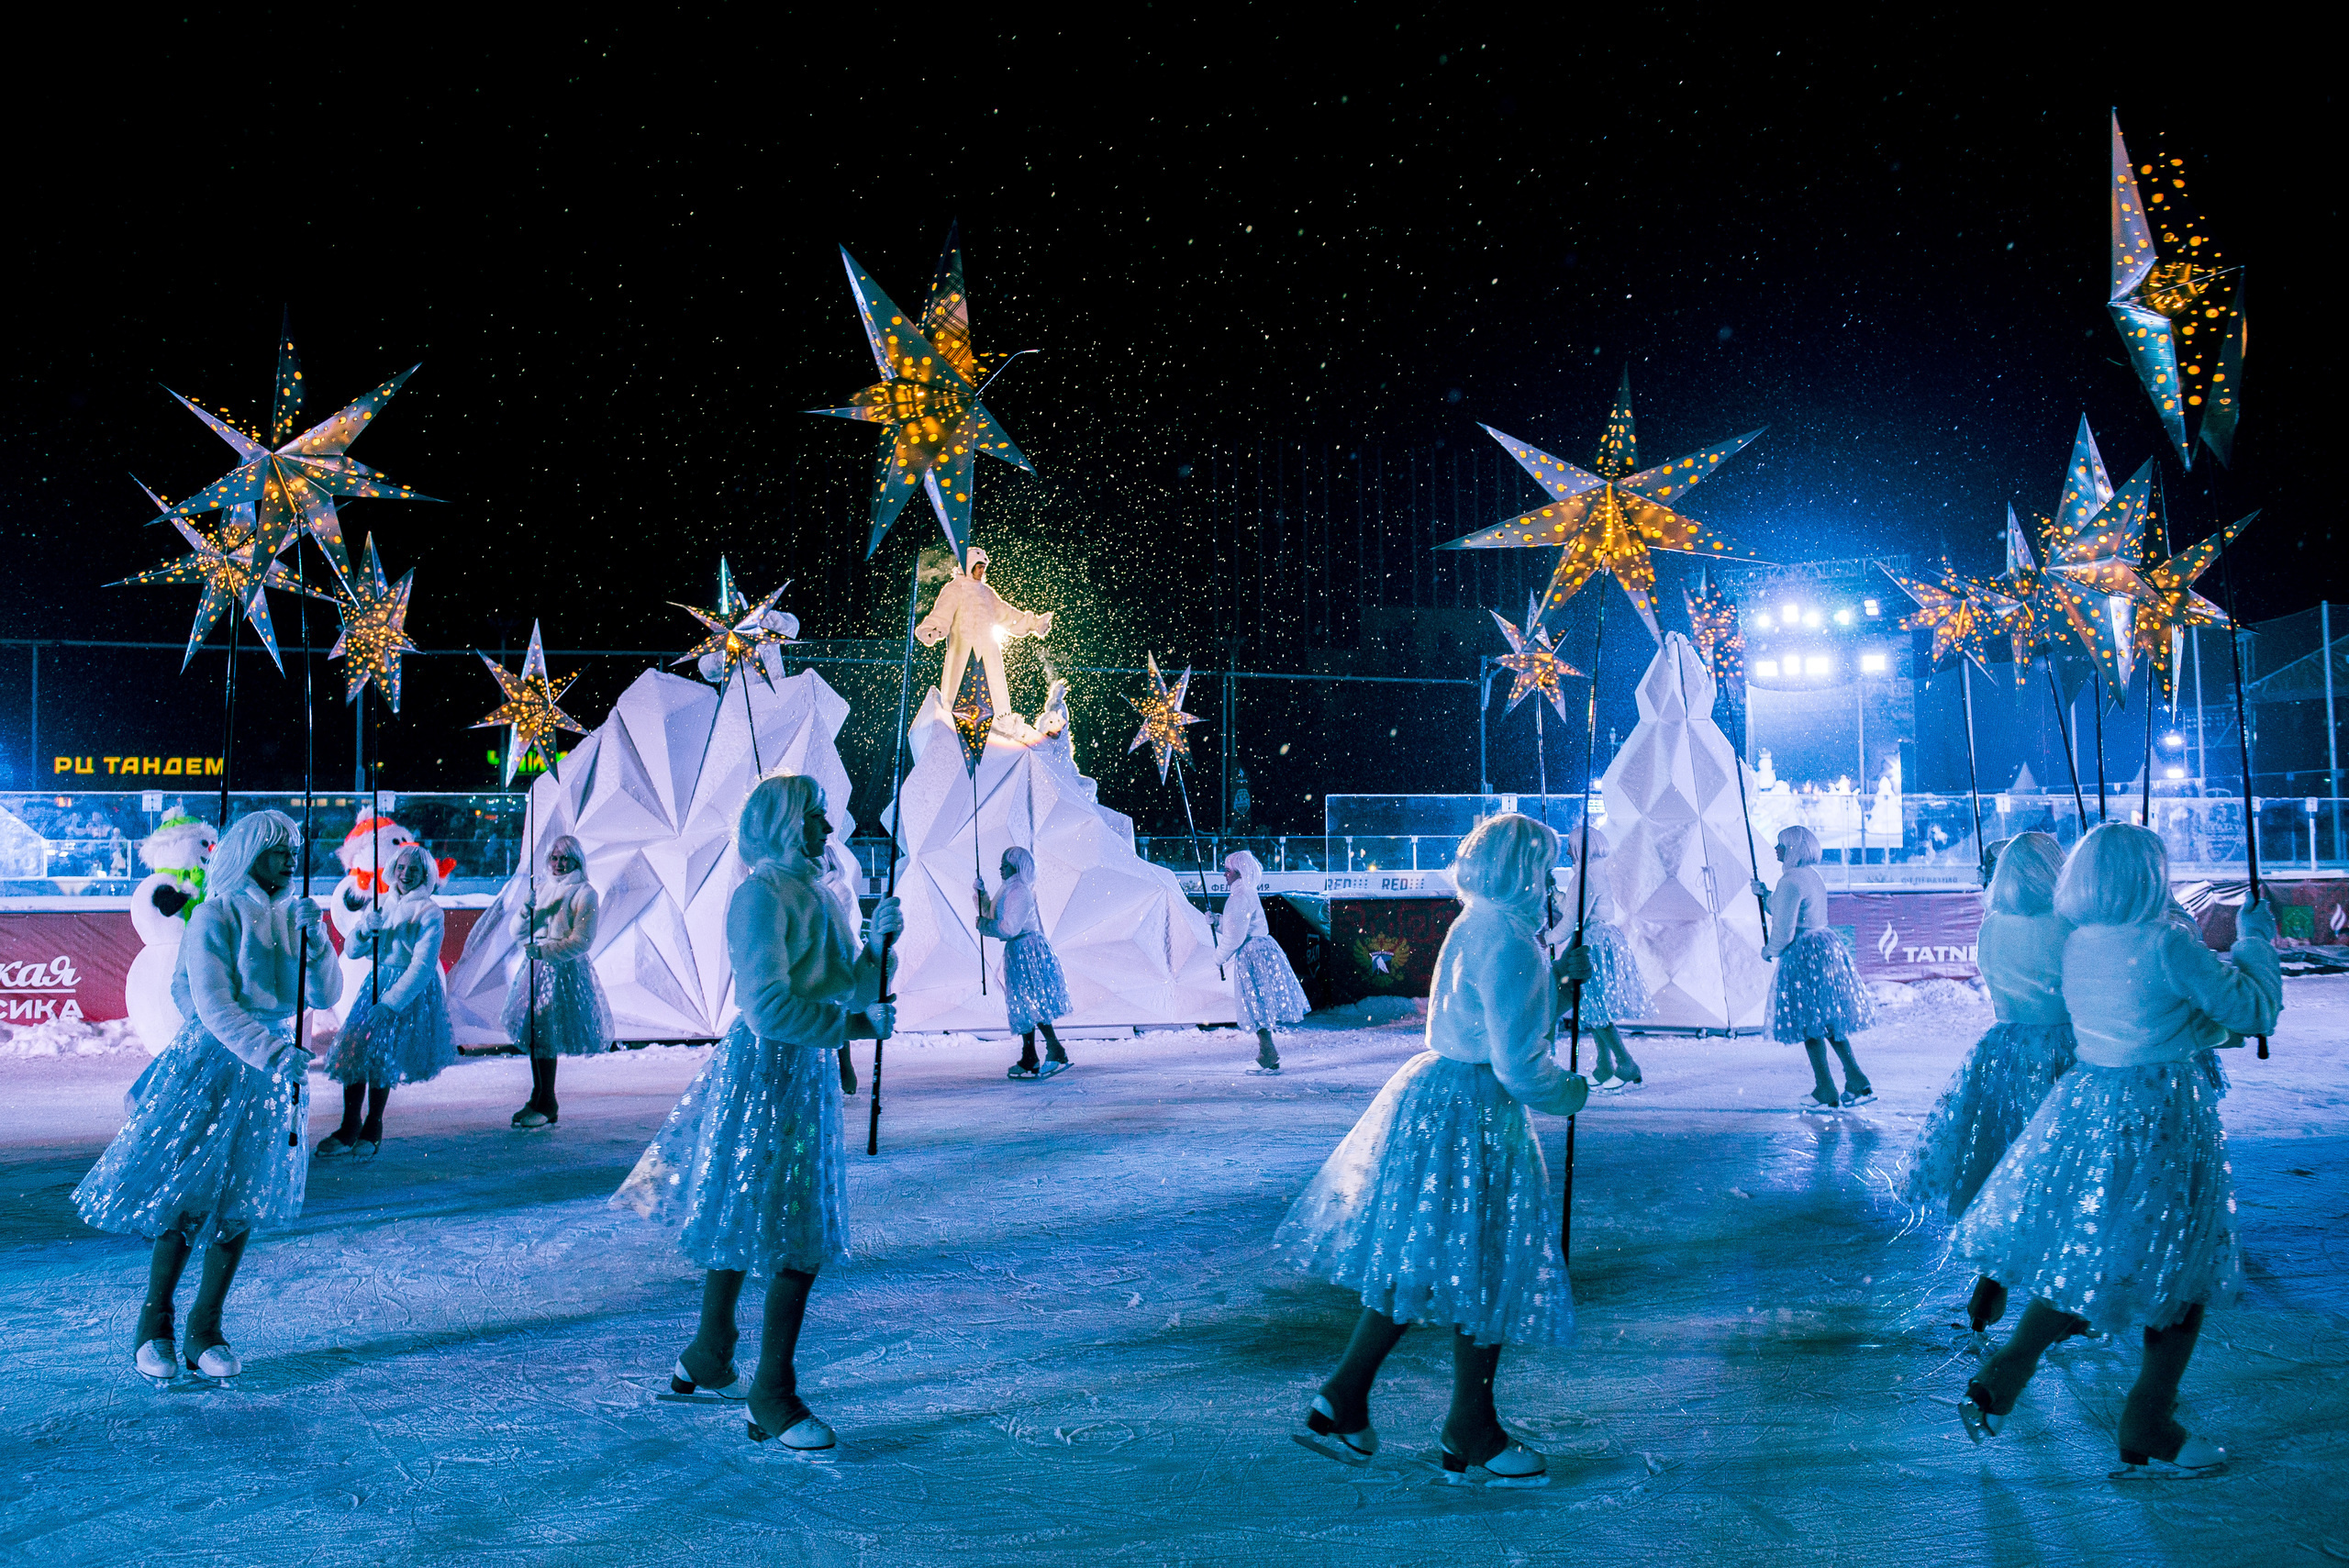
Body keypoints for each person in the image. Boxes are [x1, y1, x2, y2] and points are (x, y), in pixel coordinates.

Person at [1951, 823, 2278, 1477]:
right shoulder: (2168, 943)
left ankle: (2010, 1364)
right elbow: (2251, 1009)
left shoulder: (2082, 944)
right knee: (2181, 1271)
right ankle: (2149, 1415)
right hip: (2165, 1117)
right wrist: (2255, 938)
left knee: (2097, 1248)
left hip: (2094, 1107)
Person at [1277, 813, 1589, 1486]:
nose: (1553, 880)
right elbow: (1515, 1060)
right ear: (1522, 871)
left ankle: (1344, 1394)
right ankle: (1469, 1426)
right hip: (1476, 1110)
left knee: (1420, 1252)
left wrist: (1557, 982)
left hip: (1435, 1096)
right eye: (1546, 867)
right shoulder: (1510, 940)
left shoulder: (1477, 923)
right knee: (1483, 1263)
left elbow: (1491, 1014)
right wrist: (1570, 1091)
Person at [613, 773, 901, 1454]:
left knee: (754, 1215)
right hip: (768, 1075)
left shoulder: (822, 896)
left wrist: (878, 945)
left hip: (803, 1075)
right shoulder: (759, 896)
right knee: (792, 1228)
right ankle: (770, 1390)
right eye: (815, 818)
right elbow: (767, 1007)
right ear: (782, 823)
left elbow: (847, 982)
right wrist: (855, 1025)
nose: (828, 831)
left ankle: (710, 1352)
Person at [72, 810, 340, 1385]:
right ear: (247, 853)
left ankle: (206, 1328)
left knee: (241, 1201)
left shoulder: (295, 914)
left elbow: (323, 992)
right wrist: (268, 1051)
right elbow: (213, 1004)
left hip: (272, 1076)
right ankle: (155, 1324)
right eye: (275, 848)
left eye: (293, 847)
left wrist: (317, 941)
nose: (289, 857)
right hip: (217, 1066)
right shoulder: (214, 914)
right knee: (187, 1197)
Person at [1901, 833, 2073, 1338]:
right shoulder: (2066, 925)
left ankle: (1992, 1278)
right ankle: (2057, 1295)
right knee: (2058, 1169)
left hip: (2004, 1053)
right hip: (2061, 1053)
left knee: (2007, 1164)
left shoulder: (1993, 925)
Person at [317, 843, 457, 1158]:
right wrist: (367, 928)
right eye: (402, 868)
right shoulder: (380, 904)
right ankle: (348, 1124)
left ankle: (373, 1125)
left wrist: (392, 1002)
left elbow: (422, 966)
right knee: (355, 1052)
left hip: (404, 990)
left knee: (381, 1057)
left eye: (414, 870)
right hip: (375, 984)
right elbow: (353, 950)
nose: (406, 874)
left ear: (425, 875)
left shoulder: (430, 912)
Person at [1755, 824, 1876, 1108]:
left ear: (1793, 849)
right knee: (1830, 1021)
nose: (1776, 848)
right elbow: (1794, 911)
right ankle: (1856, 1079)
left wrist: (1770, 950)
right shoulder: (1810, 877)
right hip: (1825, 949)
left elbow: (1785, 929)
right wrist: (1766, 896)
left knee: (1809, 1025)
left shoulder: (1791, 881)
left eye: (1781, 843)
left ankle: (1825, 1087)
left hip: (1802, 956)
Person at [501, 835, 615, 1128]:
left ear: (577, 861)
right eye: (554, 857)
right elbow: (518, 931)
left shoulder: (585, 893)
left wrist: (545, 949)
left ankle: (548, 1100)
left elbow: (582, 940)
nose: (559, 864)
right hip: (537, 970)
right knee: (536, 1034)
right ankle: (538, 1096)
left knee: (546, 1034)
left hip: (563, 972)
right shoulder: (541, 889)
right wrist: (529, 910)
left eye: (565, 858)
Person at [1544, 826, 1647, 1090]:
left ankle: (1625, 1062)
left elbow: (1572, 920)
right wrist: (1555, 893)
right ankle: (1605, 1065)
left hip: (1591, 944)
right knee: (1592, 1005)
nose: (1567, 851)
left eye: (1570, 846)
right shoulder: (1592, 873)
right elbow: (1575, 907)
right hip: (1597, 940)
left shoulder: (1585, 878)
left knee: (1593, 1005)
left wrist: (1546, 938)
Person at [914, 548, 1052, 740]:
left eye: (984, 567)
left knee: (994, 697)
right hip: (963, 654)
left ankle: (998, 734)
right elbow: (942, 613)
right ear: (969, 566)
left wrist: (1033, 623)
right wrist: (931, 628)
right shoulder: (955, 589)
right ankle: (956, 734)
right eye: (978, 567)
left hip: (987, 655)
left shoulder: (986, 593)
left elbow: (1007, 614)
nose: (981, 571)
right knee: (959, 698)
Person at [976, 846, 1073, 1079]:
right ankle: (1030, 1054)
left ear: (1017, 866)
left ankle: (1055, 1050)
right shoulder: (1009, 889)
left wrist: (984, 926)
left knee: (1032, 1003)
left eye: (1005, 864)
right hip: (1018, 952)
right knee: (1023, 1005)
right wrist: (982, 896)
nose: (1000, 868)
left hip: (1028, 951)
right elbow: (992, 914)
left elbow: (1009, 927)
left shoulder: (1019, 892)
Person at [1215, 849, 1309, 1073]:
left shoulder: (1239, 896)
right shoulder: (1247, 892)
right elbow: (1237, 925)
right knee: (1260, 1002)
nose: (1224, 875)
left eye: (1227, 871)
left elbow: (1235, 935)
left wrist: (1219, 957)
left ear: (1239, 872)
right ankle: (1268, 1052)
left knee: (1256, 1002)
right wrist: (1218, 920)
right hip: (1261, 949)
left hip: (1252, 953)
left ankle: (1268, 1053)